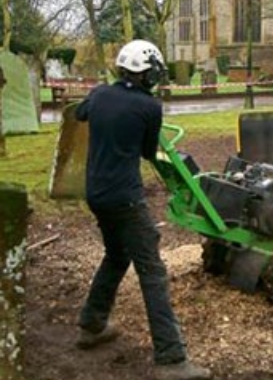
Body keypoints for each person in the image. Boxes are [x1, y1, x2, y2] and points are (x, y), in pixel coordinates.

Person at [74, 40, 211, 380]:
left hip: (97, 194)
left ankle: (92, 324)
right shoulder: (149, 107)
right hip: (126, 198)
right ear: (146, 73)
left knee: (117, 255)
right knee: (152, 271)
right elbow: (150, 152)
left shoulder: (100, 93)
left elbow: (80, 112)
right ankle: (172, 359)